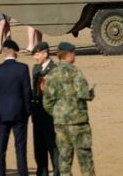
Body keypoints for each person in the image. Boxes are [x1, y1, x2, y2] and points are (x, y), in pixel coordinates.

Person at [44, 41, 96, 176]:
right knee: (85, 158)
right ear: (69, 54)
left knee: (64, 158)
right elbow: (83, 93)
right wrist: (91, 94)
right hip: (78, 121)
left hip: (60, 123)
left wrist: (57, 113)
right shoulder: (75, 72)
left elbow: (47, 101)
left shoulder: (52, 74)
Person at [0, 39, 31, 176]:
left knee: (1, 148)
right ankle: (22, 173)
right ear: (15, 52)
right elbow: (27, 92)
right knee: (20, 148)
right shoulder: (22, 68)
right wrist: (27, 111)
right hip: (19, 112)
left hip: (1, 114)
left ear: (3, 53)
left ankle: (0, 173)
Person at [31, 41, 60, 176]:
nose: (35, 58)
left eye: (37, 54)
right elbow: (34, 91)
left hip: (50, 115)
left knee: (53, 147)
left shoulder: (55, 69)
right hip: (37, 114)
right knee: (39, 148)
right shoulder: (36, 69)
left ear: (45, 54)